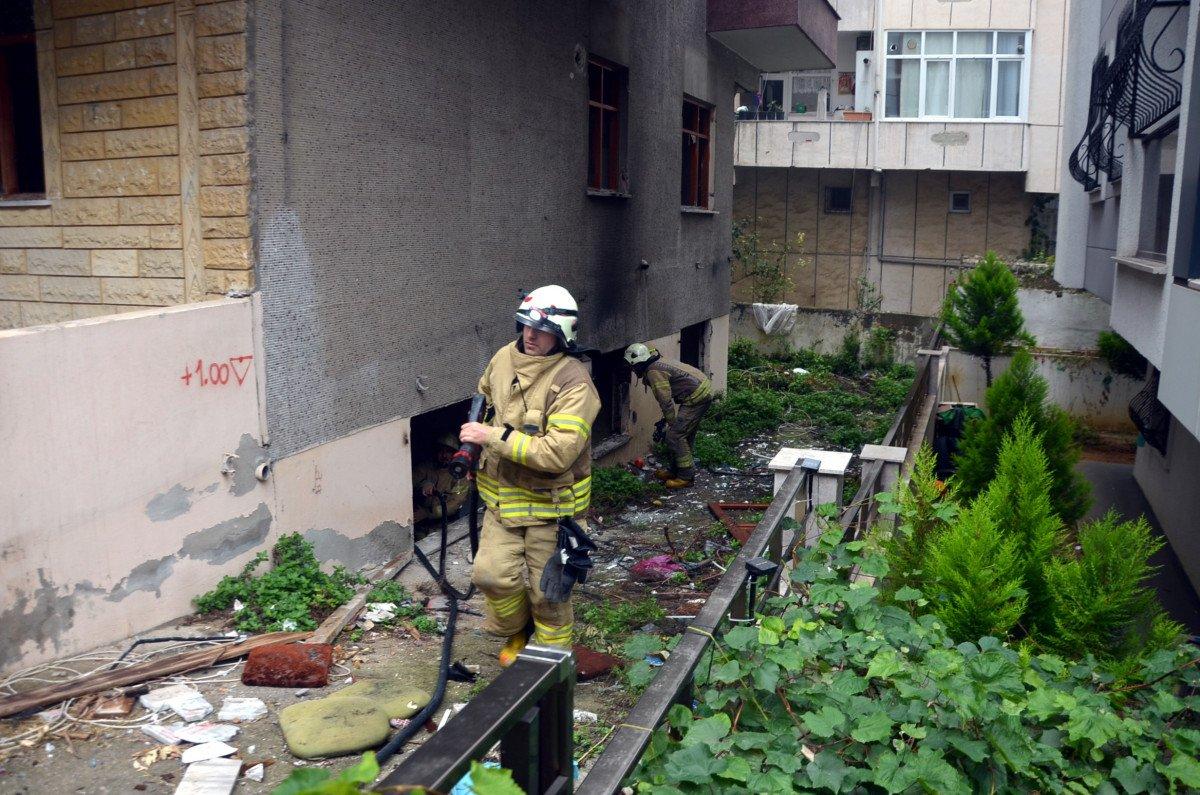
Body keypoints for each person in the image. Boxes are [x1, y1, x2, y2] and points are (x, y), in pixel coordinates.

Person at [459, 285, 601, 666]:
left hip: (551, 510)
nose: (529, 336)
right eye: (524, 325)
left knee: (549, 595)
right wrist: (474, 451)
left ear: (564, 334)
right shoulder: (503, 358)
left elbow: (557, 454)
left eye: (541, 329)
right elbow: (485, 401)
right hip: (500, 502)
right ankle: (518, 630)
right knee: (490, 576)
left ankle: (551, 663)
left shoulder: (574, 383)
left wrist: (491, 437)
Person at [624, 343, 712, 488]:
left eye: (633, 367)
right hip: (700, 392)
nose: (633, 371)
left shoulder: (653, 372)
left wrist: (671, 423)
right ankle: (674, 471)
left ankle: (686, 477)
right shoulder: (656, 362)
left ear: (638, 363)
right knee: (682, 435)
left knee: (675, 436)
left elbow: (665, 401)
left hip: (697, 398)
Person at [412, 434, 471, 525]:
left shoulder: (460, 475)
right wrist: (423, 485)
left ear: (455, 454)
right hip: (422, 524)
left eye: (448, 452)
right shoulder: (426, 467)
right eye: (441, 451)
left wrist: (428, 513)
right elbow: (407, 483)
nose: (444, 455)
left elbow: (456, 503)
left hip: (446, 524)